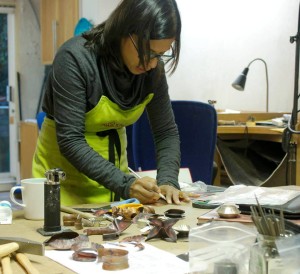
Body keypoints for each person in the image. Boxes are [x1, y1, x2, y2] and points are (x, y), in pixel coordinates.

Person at [32, 0, 190, 206]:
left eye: (160, 55)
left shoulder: (152, 72)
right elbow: (71, 140)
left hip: (114, 187)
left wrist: (168, 180)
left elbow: (166, 132)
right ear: (125, 30)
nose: (152, 63)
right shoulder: (75, 59)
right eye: (148, 53)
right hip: (60, 185)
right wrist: (125, 183)